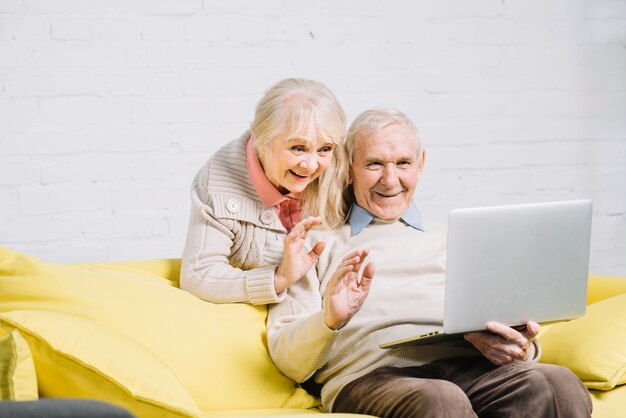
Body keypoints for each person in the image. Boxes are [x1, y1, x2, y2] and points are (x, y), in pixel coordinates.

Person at [267, 108, 592, 418]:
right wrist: (329, 320)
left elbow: (512, 327)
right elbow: (287, 357)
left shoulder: (461, 236)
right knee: (440, 398)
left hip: (471, 367)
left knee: (556, 385)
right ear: (350, 167)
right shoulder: (316, 243)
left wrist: (519, 349)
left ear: (421, 165)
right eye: (375, 164)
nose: (390, 179)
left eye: (403, 163)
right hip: (373, 377)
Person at [180, 78, 348, 304]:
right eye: (298, 148)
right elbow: (198, 276)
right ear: (261, 139)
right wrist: (277, 278)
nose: (311, 165)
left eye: (325, 149)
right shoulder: (218, 184)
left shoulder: (337, 163)